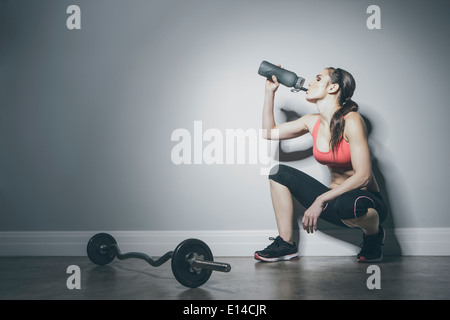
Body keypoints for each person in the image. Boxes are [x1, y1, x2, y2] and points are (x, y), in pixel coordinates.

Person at [254, 66, 388, 263]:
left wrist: (320, 200)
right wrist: (269, 93)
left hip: (363, 204)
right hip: (333, 204)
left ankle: (373, 235)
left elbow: (364, 176)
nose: (309, 83)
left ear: (333, 88)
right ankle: (286, 244)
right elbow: (269, 133)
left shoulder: (352, 121)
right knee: (278, 173)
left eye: (317, 79)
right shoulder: (312, 122)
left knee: (347, 204)